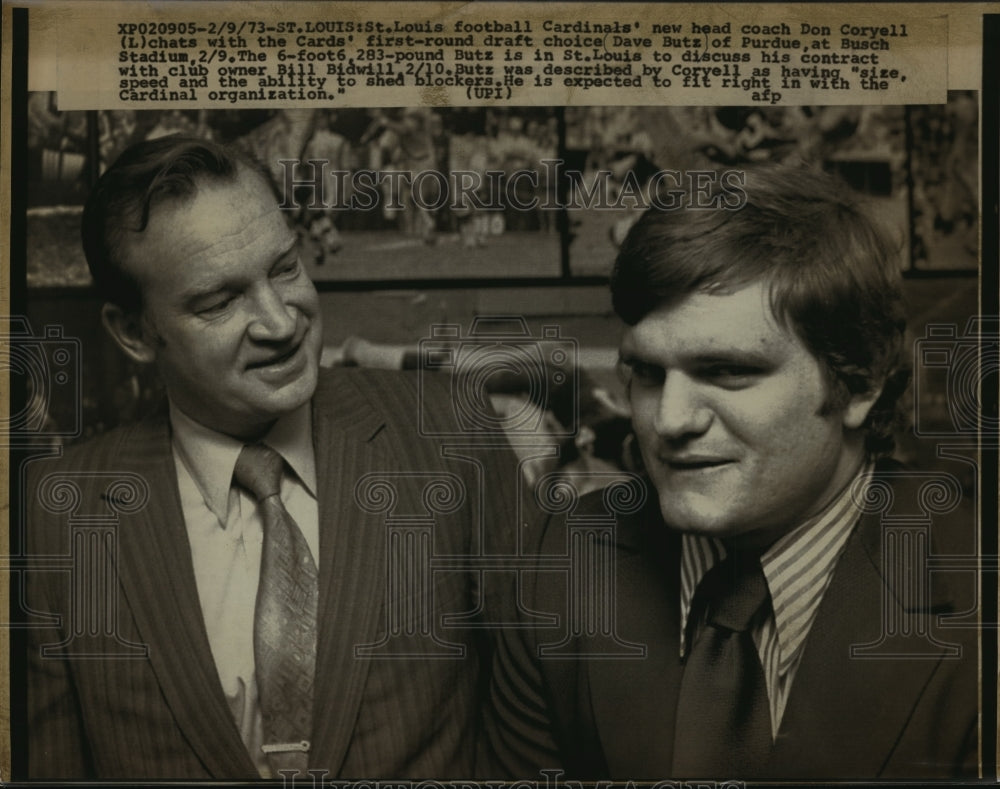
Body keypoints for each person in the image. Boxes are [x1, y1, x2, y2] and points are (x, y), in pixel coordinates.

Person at [25, 135, 515, 780]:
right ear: (134, 332)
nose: (281, 323)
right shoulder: (55, 516)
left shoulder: (451, 435)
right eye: (220, 301)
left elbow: (534, 726)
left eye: (284, 269)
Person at [483, 166, 978, 781]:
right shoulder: (560, 563)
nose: (669, 419)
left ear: (861, 385)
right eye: (647, 374)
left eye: (727, 372)